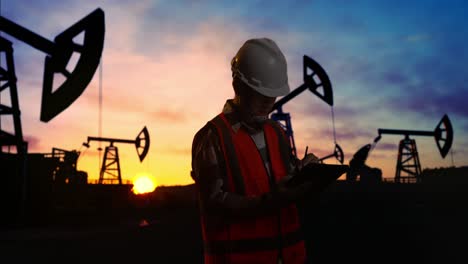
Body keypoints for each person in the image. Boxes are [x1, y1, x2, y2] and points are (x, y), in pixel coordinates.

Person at [191, 38, 319, 264]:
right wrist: (271, 200)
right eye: (261, 94)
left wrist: (303, 174)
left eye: (273, 95)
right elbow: (215, 205)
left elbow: (283, 181)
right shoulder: (212, 138)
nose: (269, 102)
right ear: (238, 86)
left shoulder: (277, 133)